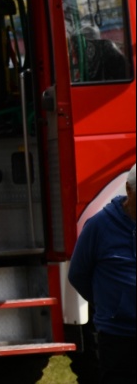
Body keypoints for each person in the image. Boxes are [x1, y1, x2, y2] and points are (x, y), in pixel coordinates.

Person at [68, 163, 137, 384]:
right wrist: (111, 305)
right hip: (117, 335)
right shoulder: (99, 226)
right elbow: (78, 274)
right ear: (129, 190)